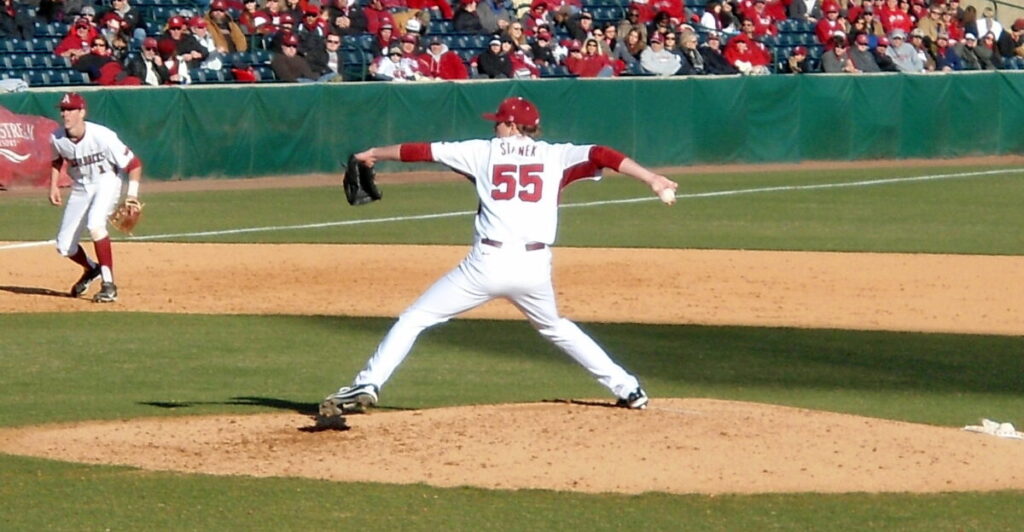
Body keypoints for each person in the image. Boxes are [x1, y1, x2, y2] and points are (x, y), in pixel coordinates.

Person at [319, 97, 677, 417]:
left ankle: (367, 384)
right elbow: (603, 154)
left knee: (416, 318)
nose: (494, 126)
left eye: (498, 121)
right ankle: (628, 388)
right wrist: (652, 178)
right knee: (555, 326)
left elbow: (421, 151)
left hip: (486, 264)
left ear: (510, 125)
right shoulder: (556, 154)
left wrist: (374, 153)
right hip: (535, 267)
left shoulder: (482, 151)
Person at [49, 92, 143, 304]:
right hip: (81, 186)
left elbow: (134, 164)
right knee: (64, 246)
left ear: (82, 112)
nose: (66, 114)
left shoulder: (102, 136)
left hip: (106, 181)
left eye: (71, 109)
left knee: (96, 224)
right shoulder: (56, 138)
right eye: (63, 110)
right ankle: (92, 269)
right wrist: (53, 185)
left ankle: (109, 285)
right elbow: (56, 160)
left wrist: (132, 196)